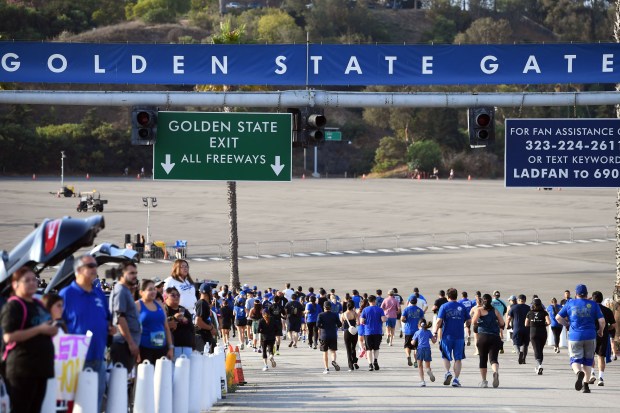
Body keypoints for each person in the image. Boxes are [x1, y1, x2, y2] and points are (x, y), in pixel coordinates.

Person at [60, 255, 114, 412]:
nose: (94, 268)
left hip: (98, 358)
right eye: (90, 265)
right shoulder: (67, 294)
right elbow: (57, 325)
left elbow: (107, 319)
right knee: (74, 406)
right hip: (74, 359)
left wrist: (110, 328)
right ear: (78, 270)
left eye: (95, 265)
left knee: (94, 405)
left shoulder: (98, 294)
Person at [1, 266, 58, 413]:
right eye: (27, 280)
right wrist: (39, 330)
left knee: (35, 409)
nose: (32, 283)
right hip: (23, 369)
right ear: (15, 284)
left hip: (41, 368)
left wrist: (52, 330)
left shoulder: (38, 304)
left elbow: (47, 325)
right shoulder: (14, 305)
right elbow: (8, 336)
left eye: (34, 279)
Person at [555, 284, 605, 393]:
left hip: (575, 336)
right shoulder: (593, 304)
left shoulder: (570, 303)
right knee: (588, 361)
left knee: (575, 359)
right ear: (587, 294)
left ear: (576, 294)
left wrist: (567, 324)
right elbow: (602, 321)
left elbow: (558, 317)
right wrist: (600, 331)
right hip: (590, 335)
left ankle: (578, 373)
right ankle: (586, 386)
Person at [433, 288, 471, 387]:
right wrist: (465, 325)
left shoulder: (444, 306)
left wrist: (435, 332)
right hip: (459, 336)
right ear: (456, 296)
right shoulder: (462, 306)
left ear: (447, 296)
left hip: (447, 336)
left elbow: (439, 321)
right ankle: (456, 379)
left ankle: (448, 372)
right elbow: (469, 320)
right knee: (458, 358)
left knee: (445, 356)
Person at [109, 261, 141, 371]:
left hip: (127, 344)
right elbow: (120, 318)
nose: (135, 276)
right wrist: (131, 343)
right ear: (122, 274)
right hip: (123, 344)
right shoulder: (120, 290)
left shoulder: (126, 290)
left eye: (136, 273)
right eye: (131, 273)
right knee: (120, 381)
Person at [136, 279, 174, 364]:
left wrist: (170, 347)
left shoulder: (160, 304)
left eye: (154, 289)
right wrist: (136, 350)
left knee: (160, 375)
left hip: (161, 347)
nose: (153, 292)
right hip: (144, 349)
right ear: (141, 292)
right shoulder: (137, 306)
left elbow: (166, 328)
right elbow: (133, 329)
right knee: (147, 375)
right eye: (150, 290)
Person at [471, 293, 504, 388]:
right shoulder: (495, 310)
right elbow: (502, 322)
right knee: (493, 359)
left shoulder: (479, 310)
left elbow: (473, 321)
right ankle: (495, 372)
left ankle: (484, 381)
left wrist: (480, 322)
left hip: (483, 337)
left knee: (483, 359)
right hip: (494, 337)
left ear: (482, 301)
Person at [589, 291, 616, 386]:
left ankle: (592, 373)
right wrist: (607, 329)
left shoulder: (590, 309)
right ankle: (601, 378)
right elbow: (613, 325)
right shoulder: (607, 310)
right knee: (601, 357)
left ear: (593, 299)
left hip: (591, 334)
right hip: (603, 335)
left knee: (590, 355)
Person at [163, 287, 194, 360]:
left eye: (178, 295)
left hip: (187, 346)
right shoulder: (164, 309)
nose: (176, 297)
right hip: (172, 346)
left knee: (186, 369)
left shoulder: (184, 310)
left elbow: (192, 328)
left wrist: (187, 321)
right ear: (166, 297)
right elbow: (160, 323)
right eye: (173, 295)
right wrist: (173, 318)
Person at [360, 295, 386, 371]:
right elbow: (383, 319)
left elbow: (361, 321)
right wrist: (385, 318)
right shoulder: (380, 310)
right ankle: (375, 360)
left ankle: (370, 364)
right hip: (378, 331)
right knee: (376, 348)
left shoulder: (365, 310)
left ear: (368, 301)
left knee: (369, 349)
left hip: (368, 332)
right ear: (375, 301)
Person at [525, 298, 550, 375]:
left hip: (533, 332)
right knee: (540, 349)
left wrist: (532, 324)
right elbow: (549, 322)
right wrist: (543, 324)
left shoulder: (529, 313)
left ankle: (539, 366)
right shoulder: (544, 312)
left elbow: (526, 324)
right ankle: (539, 365)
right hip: (542, 332)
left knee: (536, 349)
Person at [317, 301, 342, 374]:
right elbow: (339, 324)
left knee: (325, 352)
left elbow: (318, 324)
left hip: (324, 335)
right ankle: (333, 361)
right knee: (333, 351)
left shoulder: (320, 315)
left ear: (324, 307)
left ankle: (326, 368)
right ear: (330, 307)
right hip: (333, 334)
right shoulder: (334, 315)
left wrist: (323, 326)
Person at [412, 319, 437, 387]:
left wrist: (411, 342)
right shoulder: (428, 332)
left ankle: (422, 381)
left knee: (420, 366)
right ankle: (429, 371)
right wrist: (435, 336)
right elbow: (434, 341)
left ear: (419, 325)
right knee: (427, 366)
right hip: (427, 349)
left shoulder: (417, 332)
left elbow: (413, 342)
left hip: (420, 349)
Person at [507, 294, 531, 364]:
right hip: (526, 328)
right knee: (525, 344)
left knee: (515, 343)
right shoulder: (528, 308)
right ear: (525, 300)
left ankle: (519, 353)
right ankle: (524, 358)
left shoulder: (514, 307)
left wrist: (507, 325)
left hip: (516, 328)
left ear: (518, 300)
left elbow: (509, 318)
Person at [401, 296, 424, 367]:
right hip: (417, 331)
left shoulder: (406, 309)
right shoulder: (420, 310)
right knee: (416, 347)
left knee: (407, 345)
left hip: (408, 330)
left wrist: (406, 320)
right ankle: (415, 361)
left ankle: (408, 356)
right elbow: (422, 320)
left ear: (410, 302)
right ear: (416, 302)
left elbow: (402, 319)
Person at [195, 283, 217, 354]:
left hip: (207, 337)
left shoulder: (205, 304)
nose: (212, 293)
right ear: (206, 292)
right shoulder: (201, 304)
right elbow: (198, 322)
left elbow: (205, 319)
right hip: (203, 338)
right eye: (210, 291)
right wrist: (210, 328)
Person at [341, 300, 359, 371]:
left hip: (346, 332)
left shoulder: (343, 314)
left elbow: (341, 324)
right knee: (353, 347)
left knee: (348, 349)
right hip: (354, 332)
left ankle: (350, 365)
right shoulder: (355, 313)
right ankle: (354, 360)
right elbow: (358, 323)